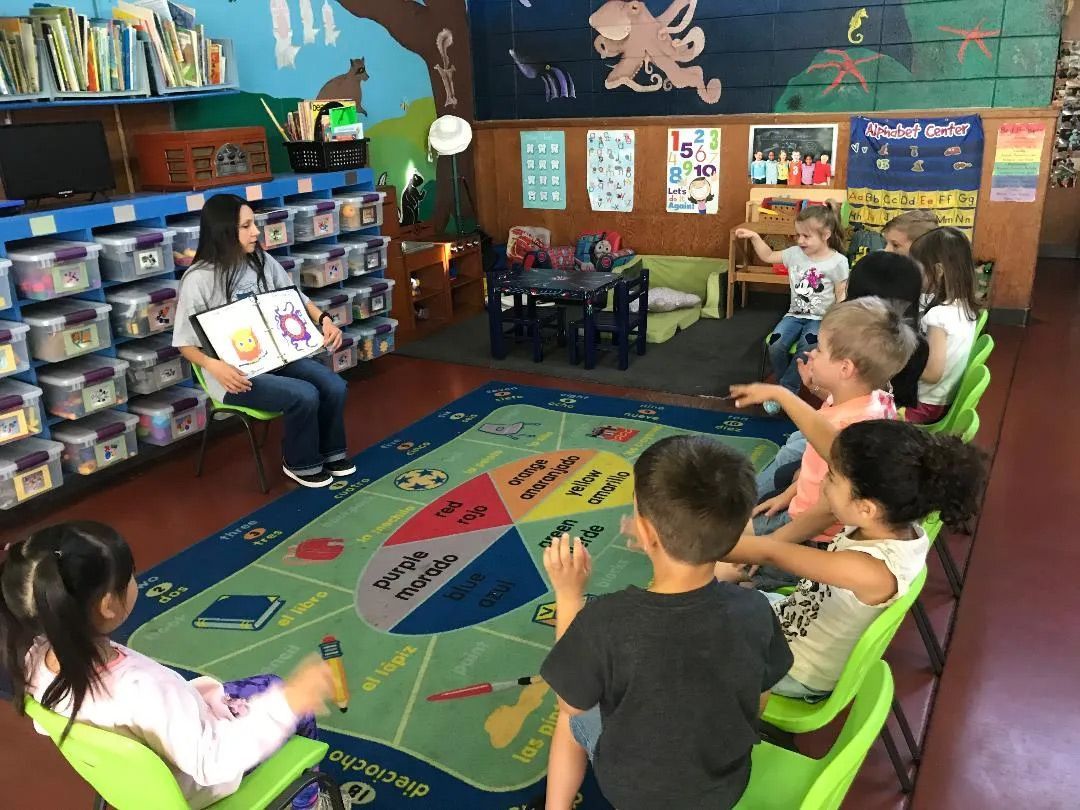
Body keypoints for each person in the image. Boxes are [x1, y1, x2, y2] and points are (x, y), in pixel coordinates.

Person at [0, 522, 337, 810]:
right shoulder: (141, 689)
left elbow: (48, 726)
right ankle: (307, 801)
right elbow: (213, 762)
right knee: (283, 694)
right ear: (107, 606)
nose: (135, 579)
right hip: (199, 783)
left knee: (263, 689)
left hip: (138, 787)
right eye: (129, 575)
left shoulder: (31, 661)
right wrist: (290, 701)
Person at [534, 437, 793, 810]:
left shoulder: (605, 619)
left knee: (568, 722)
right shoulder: (754, 606)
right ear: (736, 533)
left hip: (635, 794)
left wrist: (569, 596)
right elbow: (760, 701)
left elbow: (572, 702)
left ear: (646, 532)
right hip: (725, 785)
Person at [719, 388, 986, 699]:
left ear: (865, 506)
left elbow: (775, 553)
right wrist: (782, 394)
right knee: (717, 591)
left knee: (685, 628)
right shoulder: (891, 514)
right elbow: (831, 446)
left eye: (830, 477)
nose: (823, 481)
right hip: (792, 621)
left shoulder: (870, 569)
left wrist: (677, 541)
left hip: (795, 667)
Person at [173, 194, 354, 488]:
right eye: (246, 226)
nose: (256, 232)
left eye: (253, 224)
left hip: (276, 358)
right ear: (224, 231)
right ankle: (301, 463)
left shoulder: (260, 260)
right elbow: (184, 344)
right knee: (304, 395)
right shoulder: (198, 279)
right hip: (234, 375)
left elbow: (295, 297)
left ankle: (332, 452)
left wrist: (324, 320)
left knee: (334, 386)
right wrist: (214, 367)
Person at [745, 297, 916, 591]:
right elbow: (825, 439)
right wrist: (788, 493)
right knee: (734, 528)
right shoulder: (874, 398)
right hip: (800, 508)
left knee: (723, 564)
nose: (811, 353)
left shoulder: (853, 430)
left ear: (846, 369)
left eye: (821, 349)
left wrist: (770, 547)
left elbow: (825, 512)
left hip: (813, 537)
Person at [756, 253, 929, 500]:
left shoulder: (875, 360)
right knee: (795, 442)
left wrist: (786, 394)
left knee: (789, 454)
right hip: (851, 441)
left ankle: (738, 506)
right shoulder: (904, 348)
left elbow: (846, 426)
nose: (814, 353)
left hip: (843, 464)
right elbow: (855, 401)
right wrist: (815, 389)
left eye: (821, 349)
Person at [736, 202, 849, 396]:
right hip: (793, 315)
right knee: (775, 344)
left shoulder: (838, 261)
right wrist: (755, 236)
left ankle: (786, 390)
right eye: (798, 235)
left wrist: (836, 325)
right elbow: (769, 255)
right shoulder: (794, 254)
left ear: (826, 235)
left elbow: (841, 295)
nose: (800, 241)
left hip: (820, 319)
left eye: (807, 236)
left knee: (808, 346)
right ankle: (788, 386)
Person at [908, 226, 981, 424]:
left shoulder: (940, 316)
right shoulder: (964, 305)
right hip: (942, 399)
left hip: (925, 405)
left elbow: (931, 375)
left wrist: (899, 365)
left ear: (938, 271)